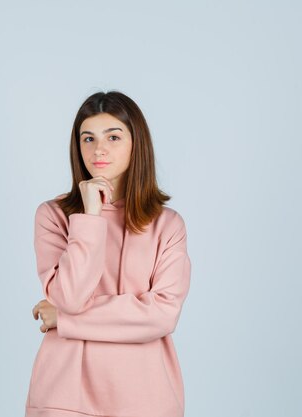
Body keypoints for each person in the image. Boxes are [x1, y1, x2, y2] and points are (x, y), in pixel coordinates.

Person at [25, 90, 192, 417]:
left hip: (146, 396)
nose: (98, 148)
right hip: (64, 395)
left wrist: (66, 320)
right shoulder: (54, 216)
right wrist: (90, 217)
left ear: (136, 143)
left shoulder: (167, 225)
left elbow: (160, 316)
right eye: (87, 138)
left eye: (113, 136)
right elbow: (71, 296)